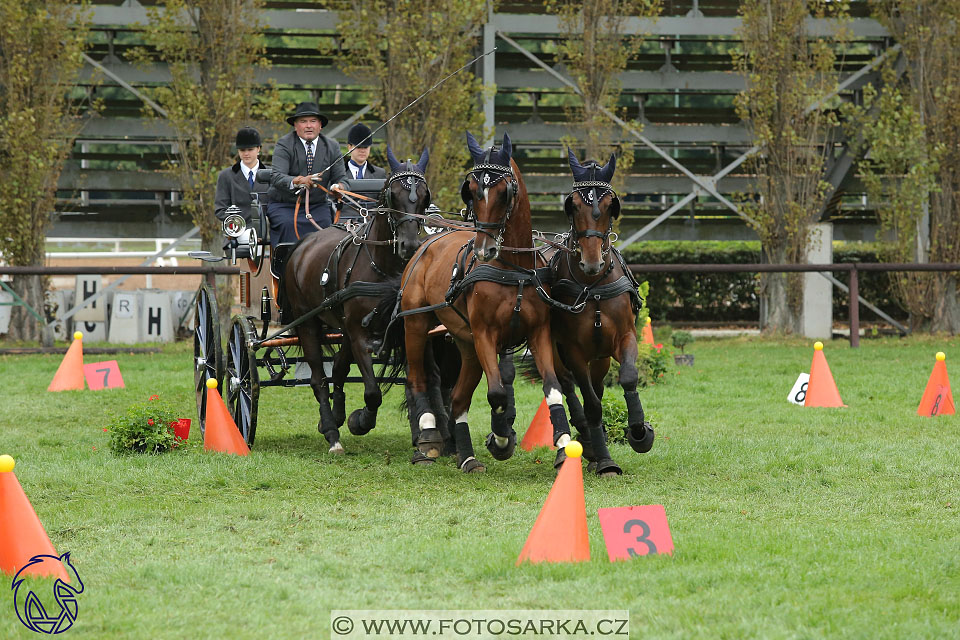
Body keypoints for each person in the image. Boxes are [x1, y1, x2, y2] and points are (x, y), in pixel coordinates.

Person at [266, 101, 346, 248]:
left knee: (328, 229)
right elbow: (277, 176)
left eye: (313, 121)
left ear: (320, 125)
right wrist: (298, 181)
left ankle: (324, 270)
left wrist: (338, 187)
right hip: (285, 205)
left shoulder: (332, 146)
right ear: (296, 126)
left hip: (318, 205)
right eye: (303, 121)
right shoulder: (284, 144)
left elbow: (341, 178)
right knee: (287, 224)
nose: (309, 125)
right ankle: (284, 269)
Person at [214, 127, 270, 222]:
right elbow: (220, 209)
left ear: (258, 149)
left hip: (268, 231)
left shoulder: (271, 174)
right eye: (242, 150)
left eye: (250, 149)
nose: (246, 153)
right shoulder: (226, 176)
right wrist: (236, 223)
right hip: (237, 231)